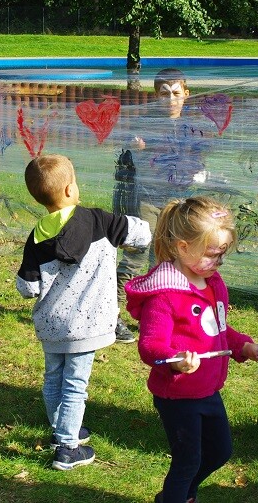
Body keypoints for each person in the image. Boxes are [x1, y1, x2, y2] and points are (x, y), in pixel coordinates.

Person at [125, 196, 258, 503]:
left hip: (207, 390)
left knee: (221, 451)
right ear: (183, 247)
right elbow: (149, 345)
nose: (218, 262)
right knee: (187, 460)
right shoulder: (164, 295)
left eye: (222, 255)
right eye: (212, 255)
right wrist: (175, 360)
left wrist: (244, 346)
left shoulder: (212, 283)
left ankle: (180, 495)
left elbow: (218, 330)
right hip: (178, 395)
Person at [16, 154, 151, 471]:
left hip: (51, 325)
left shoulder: (36, 237)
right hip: (87, 324)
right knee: (75, 384)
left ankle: (61, 429)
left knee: (53, 379)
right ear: (68, 190)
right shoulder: (99, 221)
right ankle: (67, 448)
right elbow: (142, 233)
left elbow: (28, 288)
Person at [115, 68, 199, 344]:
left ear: (186, 94)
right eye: (164, 94)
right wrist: (135, 144)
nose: (171, 99)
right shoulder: (146, 122)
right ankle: (111, 314)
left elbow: (198, 155)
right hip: (148, 200)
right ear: (156, 96)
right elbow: (130, 144)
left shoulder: (193, 125)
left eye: (176, 93)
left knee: (165, 262)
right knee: (137, 255)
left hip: (176, 203)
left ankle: (155, 315)